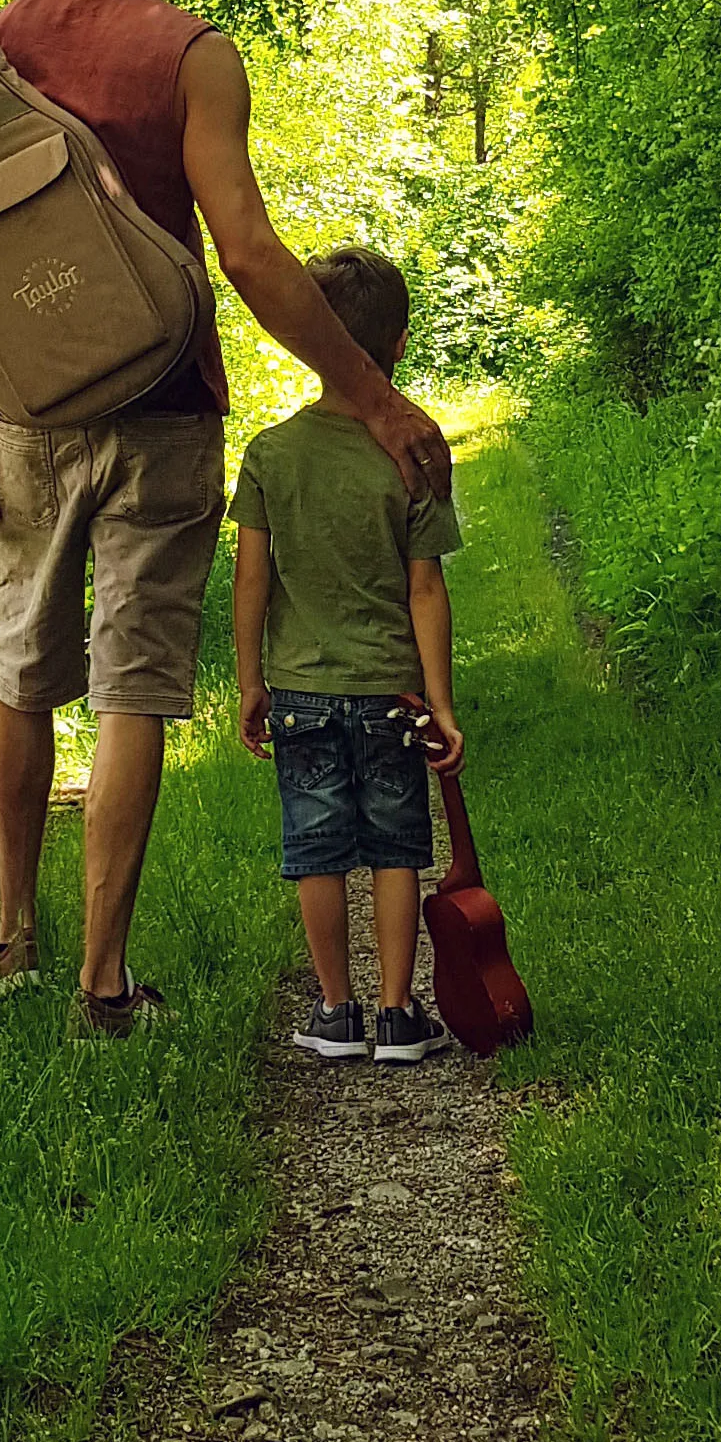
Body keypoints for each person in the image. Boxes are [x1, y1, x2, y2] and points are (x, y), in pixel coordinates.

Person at [0, 0, 451, 1032]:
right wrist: (370, 397)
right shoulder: (193, 52)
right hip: (162, 411)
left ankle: (13, 940)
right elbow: (255, 255)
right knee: (131, 691)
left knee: (19, 669)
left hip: (25, 408)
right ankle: (103, 981)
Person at [231, 246, 464, 1064]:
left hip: (299, 689)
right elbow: (425, 589)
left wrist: (250, 681)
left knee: (317, 848)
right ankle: (400, 1016)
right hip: (391, 695)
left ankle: (336, 1013)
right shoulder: (414, 451)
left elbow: (252, 580)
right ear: (399, 343)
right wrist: (439, 700)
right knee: (398, 846)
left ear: (312, 336)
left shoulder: (270, 453)